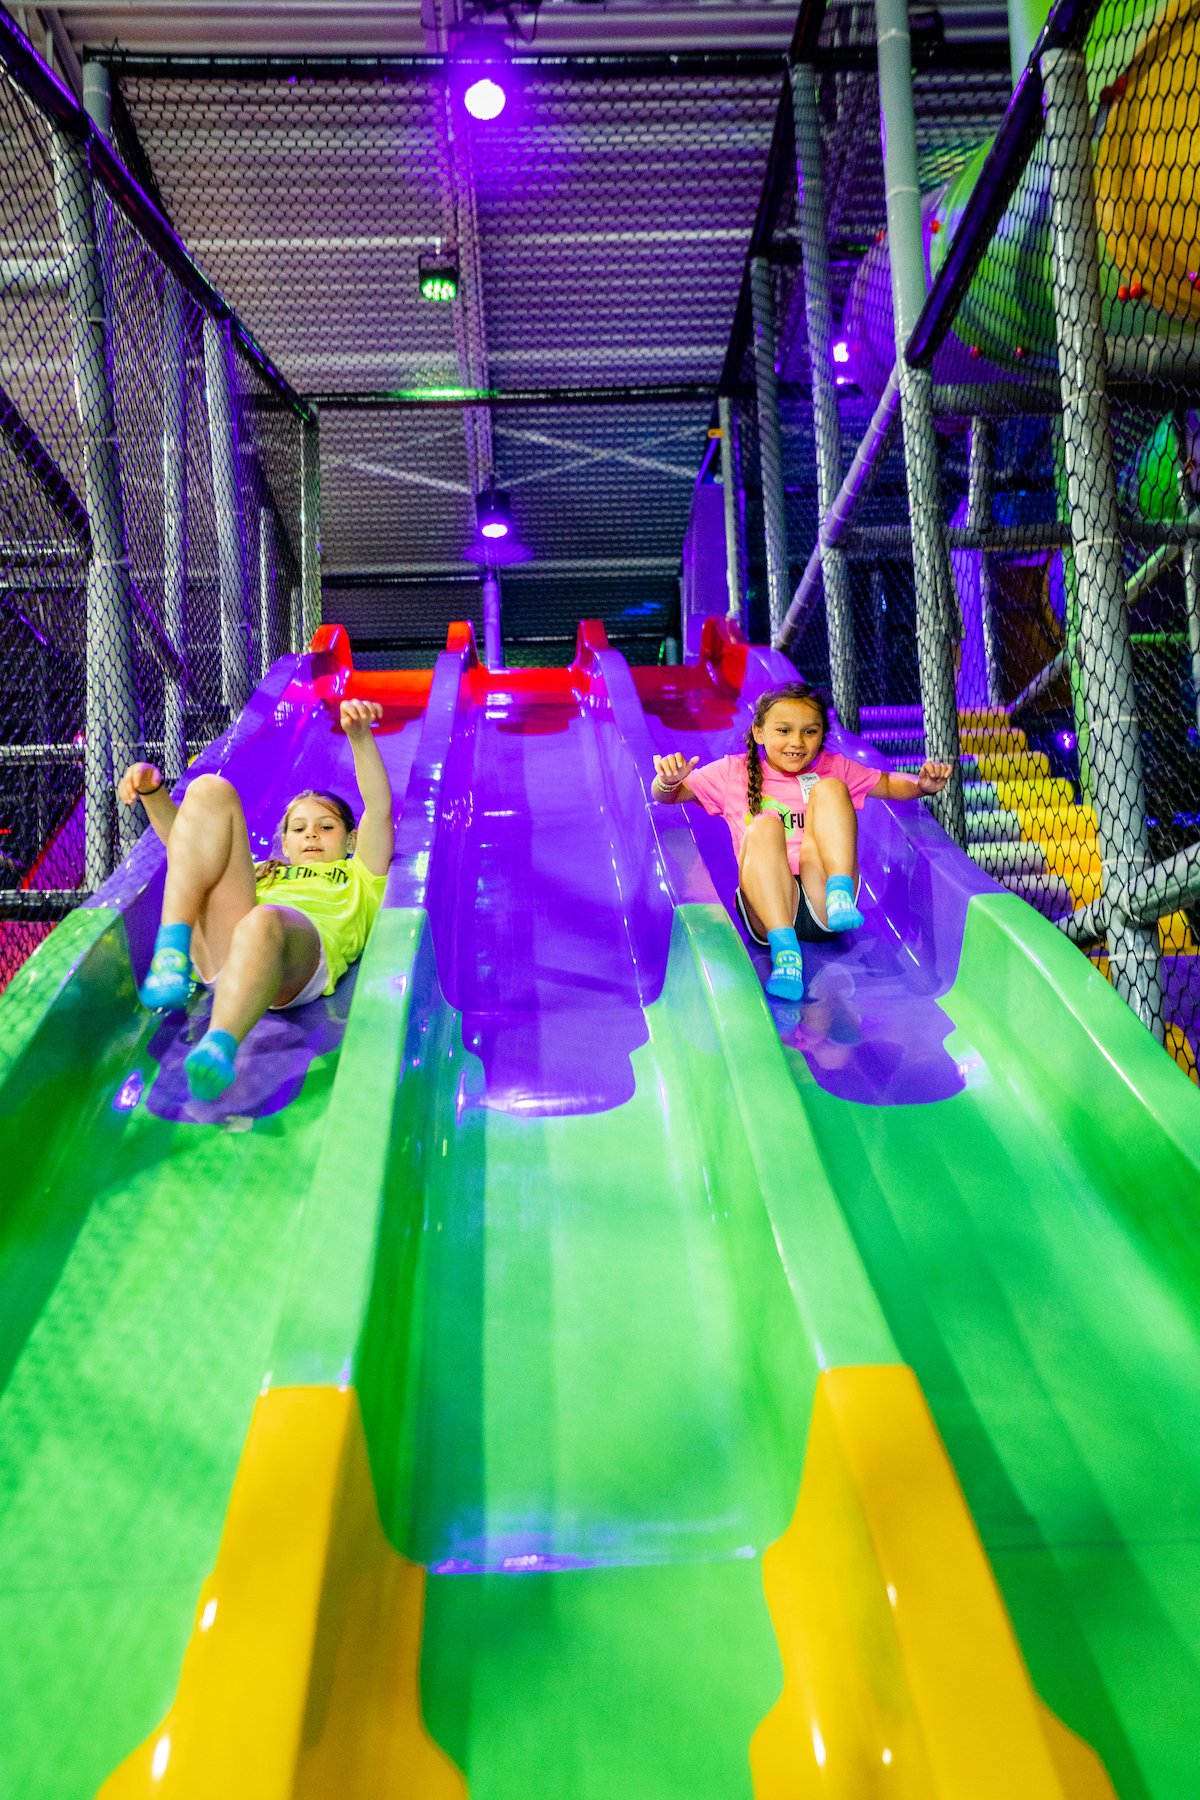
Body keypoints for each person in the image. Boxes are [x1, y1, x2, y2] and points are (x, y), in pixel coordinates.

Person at [118, 697, 394, 1100]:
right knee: (208, 789)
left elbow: (380, 810)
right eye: (299, 829)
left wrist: (359, 737)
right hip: (227, 951)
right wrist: (153, 792)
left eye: (326, 826)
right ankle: (172, 954)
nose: (312, 835)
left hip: (293, 957)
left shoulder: (359, 874)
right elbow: (186, 844)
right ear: (283, 842)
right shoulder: (263, 870)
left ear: (350, 839)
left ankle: (219, 1044)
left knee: (263, 920)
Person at [650, 681, 950, 1001]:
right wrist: (667, 782)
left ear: (822, 735)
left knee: (832, 789)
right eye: (783, 730)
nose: (797, 741)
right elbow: (669, 796)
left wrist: (921, 785)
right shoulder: (732, 772)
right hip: (767, 909)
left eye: (810, 731)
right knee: (764, 826)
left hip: (824, 897)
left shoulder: (831, 767)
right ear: (759, 733)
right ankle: (786, 955)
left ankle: (839, 895)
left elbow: (888, 784)